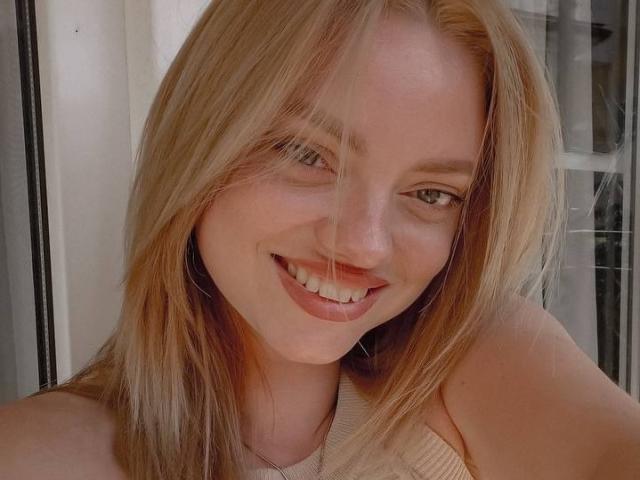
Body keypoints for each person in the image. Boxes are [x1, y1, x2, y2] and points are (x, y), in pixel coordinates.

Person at [1, 0, 639, 478]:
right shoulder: (36, 456)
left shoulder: (478, 364)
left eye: (431, 194)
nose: (364, 245)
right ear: (200, 140)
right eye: (308, 155)